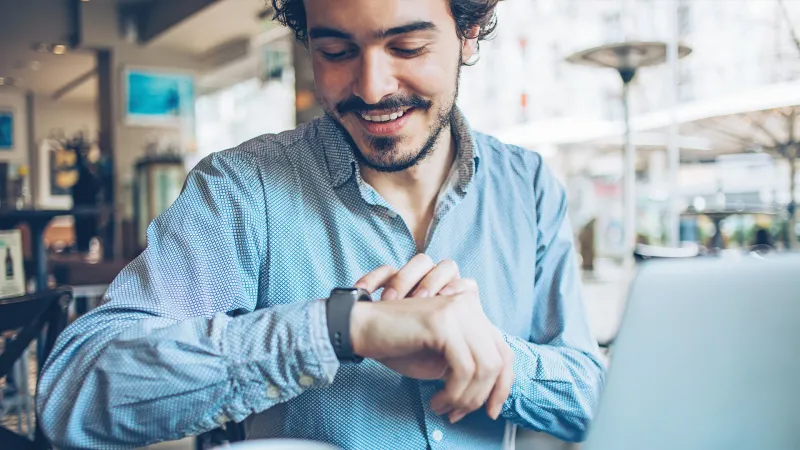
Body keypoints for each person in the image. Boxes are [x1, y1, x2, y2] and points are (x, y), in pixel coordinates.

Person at [36, 0, 605, 448]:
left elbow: (588, 397)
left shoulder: (528, 186)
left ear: (468, 32)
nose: (372, 88)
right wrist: (339, 330)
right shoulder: (244, 188)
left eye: (407, 46)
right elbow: (74, 392)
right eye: (335, 51)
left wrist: (485, 352)